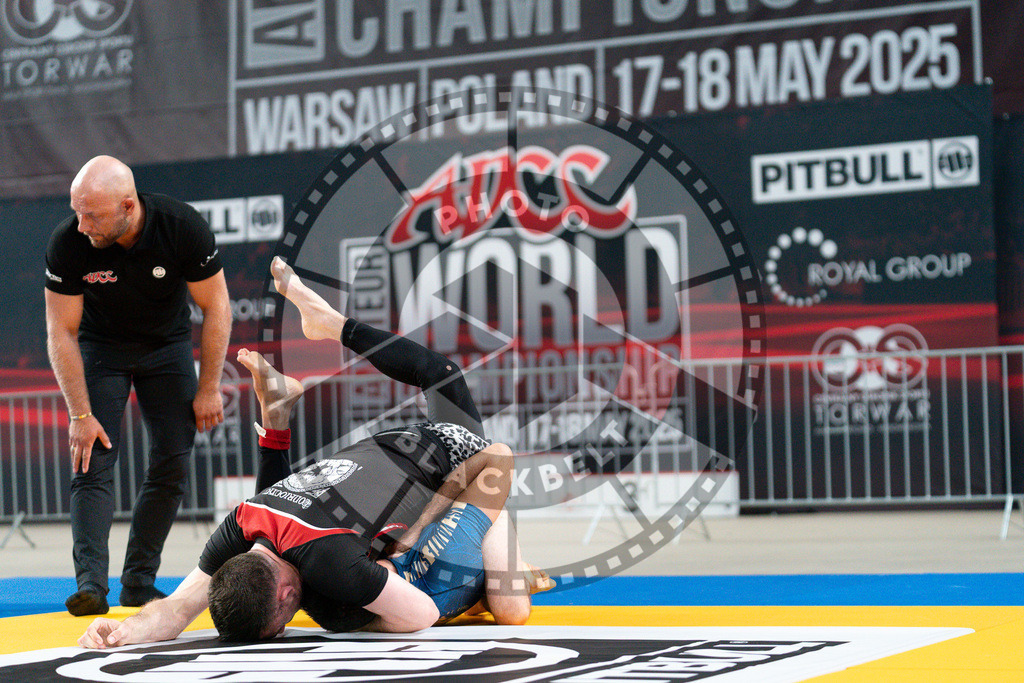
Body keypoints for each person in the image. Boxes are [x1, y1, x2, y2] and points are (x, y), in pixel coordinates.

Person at [78, 257, 545, 648]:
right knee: (439, 375)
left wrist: (348, 613)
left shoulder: (334, 565)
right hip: (374, 455)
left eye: (281, 625)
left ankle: (325, 337)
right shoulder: (238, 523)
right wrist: (122, 632)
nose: (289, 626)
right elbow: (178, 610)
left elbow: (419, 614)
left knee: (441, 377)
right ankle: (298, 382)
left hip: (447, 457)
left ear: (285, 596)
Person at [44, 156, 232, 616]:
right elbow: (60, 331)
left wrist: (208, 387)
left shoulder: (180, 227)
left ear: (128, 206)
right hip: (100, 349)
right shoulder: (69, 242)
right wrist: (80, 415)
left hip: (165, 347)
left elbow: (218, 306)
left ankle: (138, 583)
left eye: (92, 214)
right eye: (77, 211)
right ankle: (91, 585)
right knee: (91, 459)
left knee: (172, 460)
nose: (81, 222)